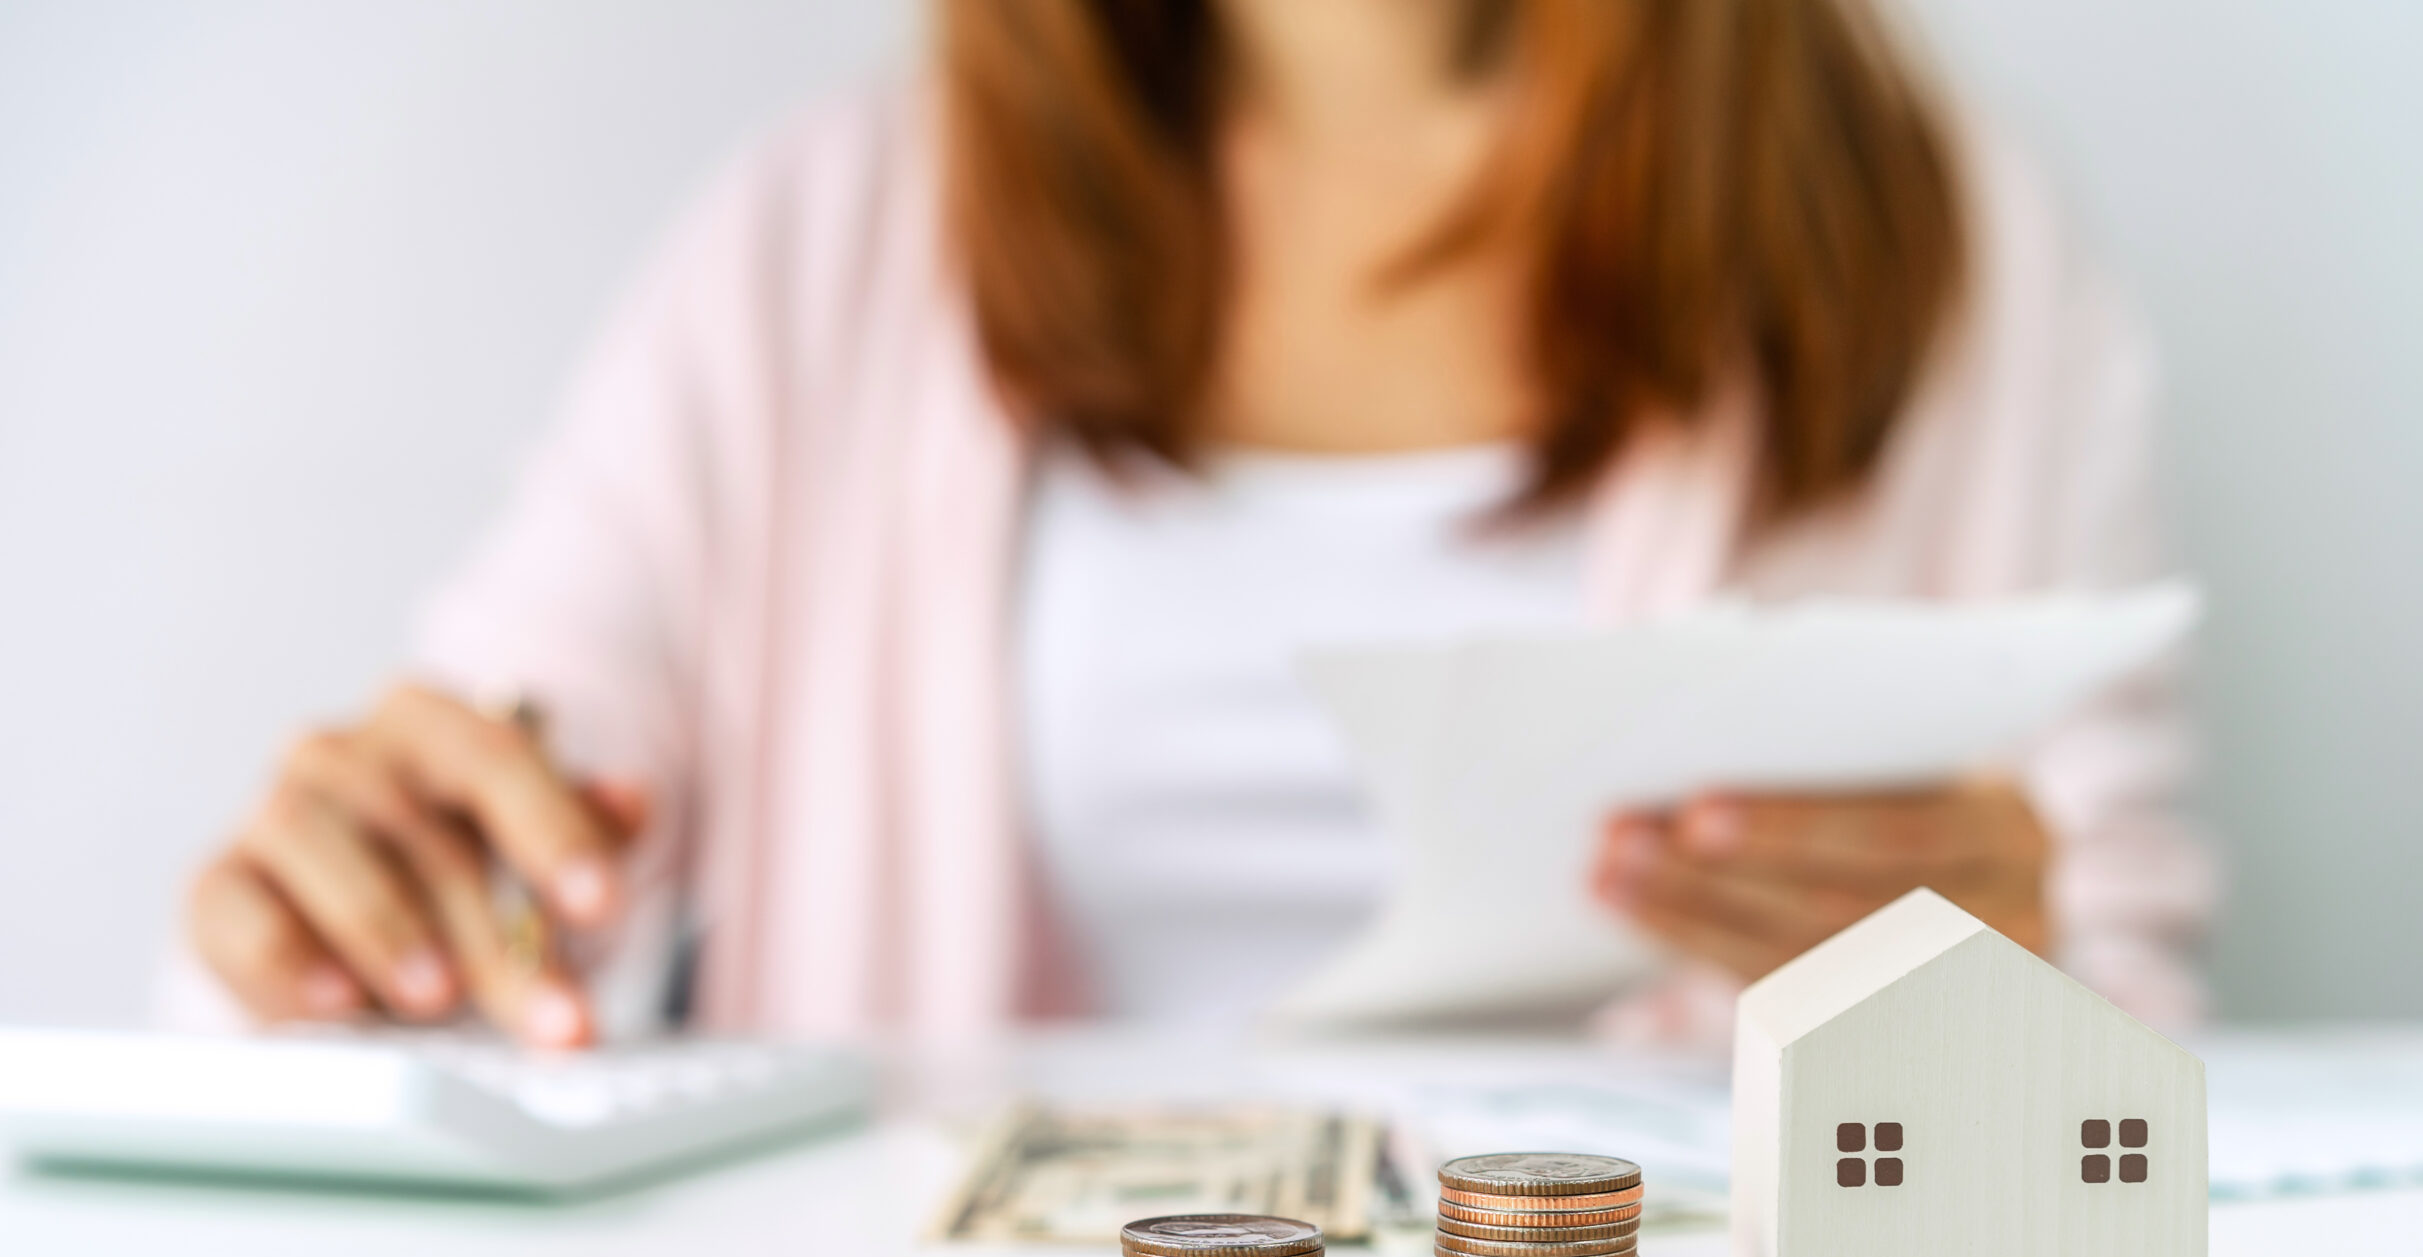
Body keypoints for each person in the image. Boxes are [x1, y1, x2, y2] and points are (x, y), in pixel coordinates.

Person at [179, 0, 2208, 1049]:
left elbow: (2136, 1047)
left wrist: (2001, 965)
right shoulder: (820, 249)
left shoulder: (1944, 246)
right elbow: (486, 837)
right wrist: (365, 914)